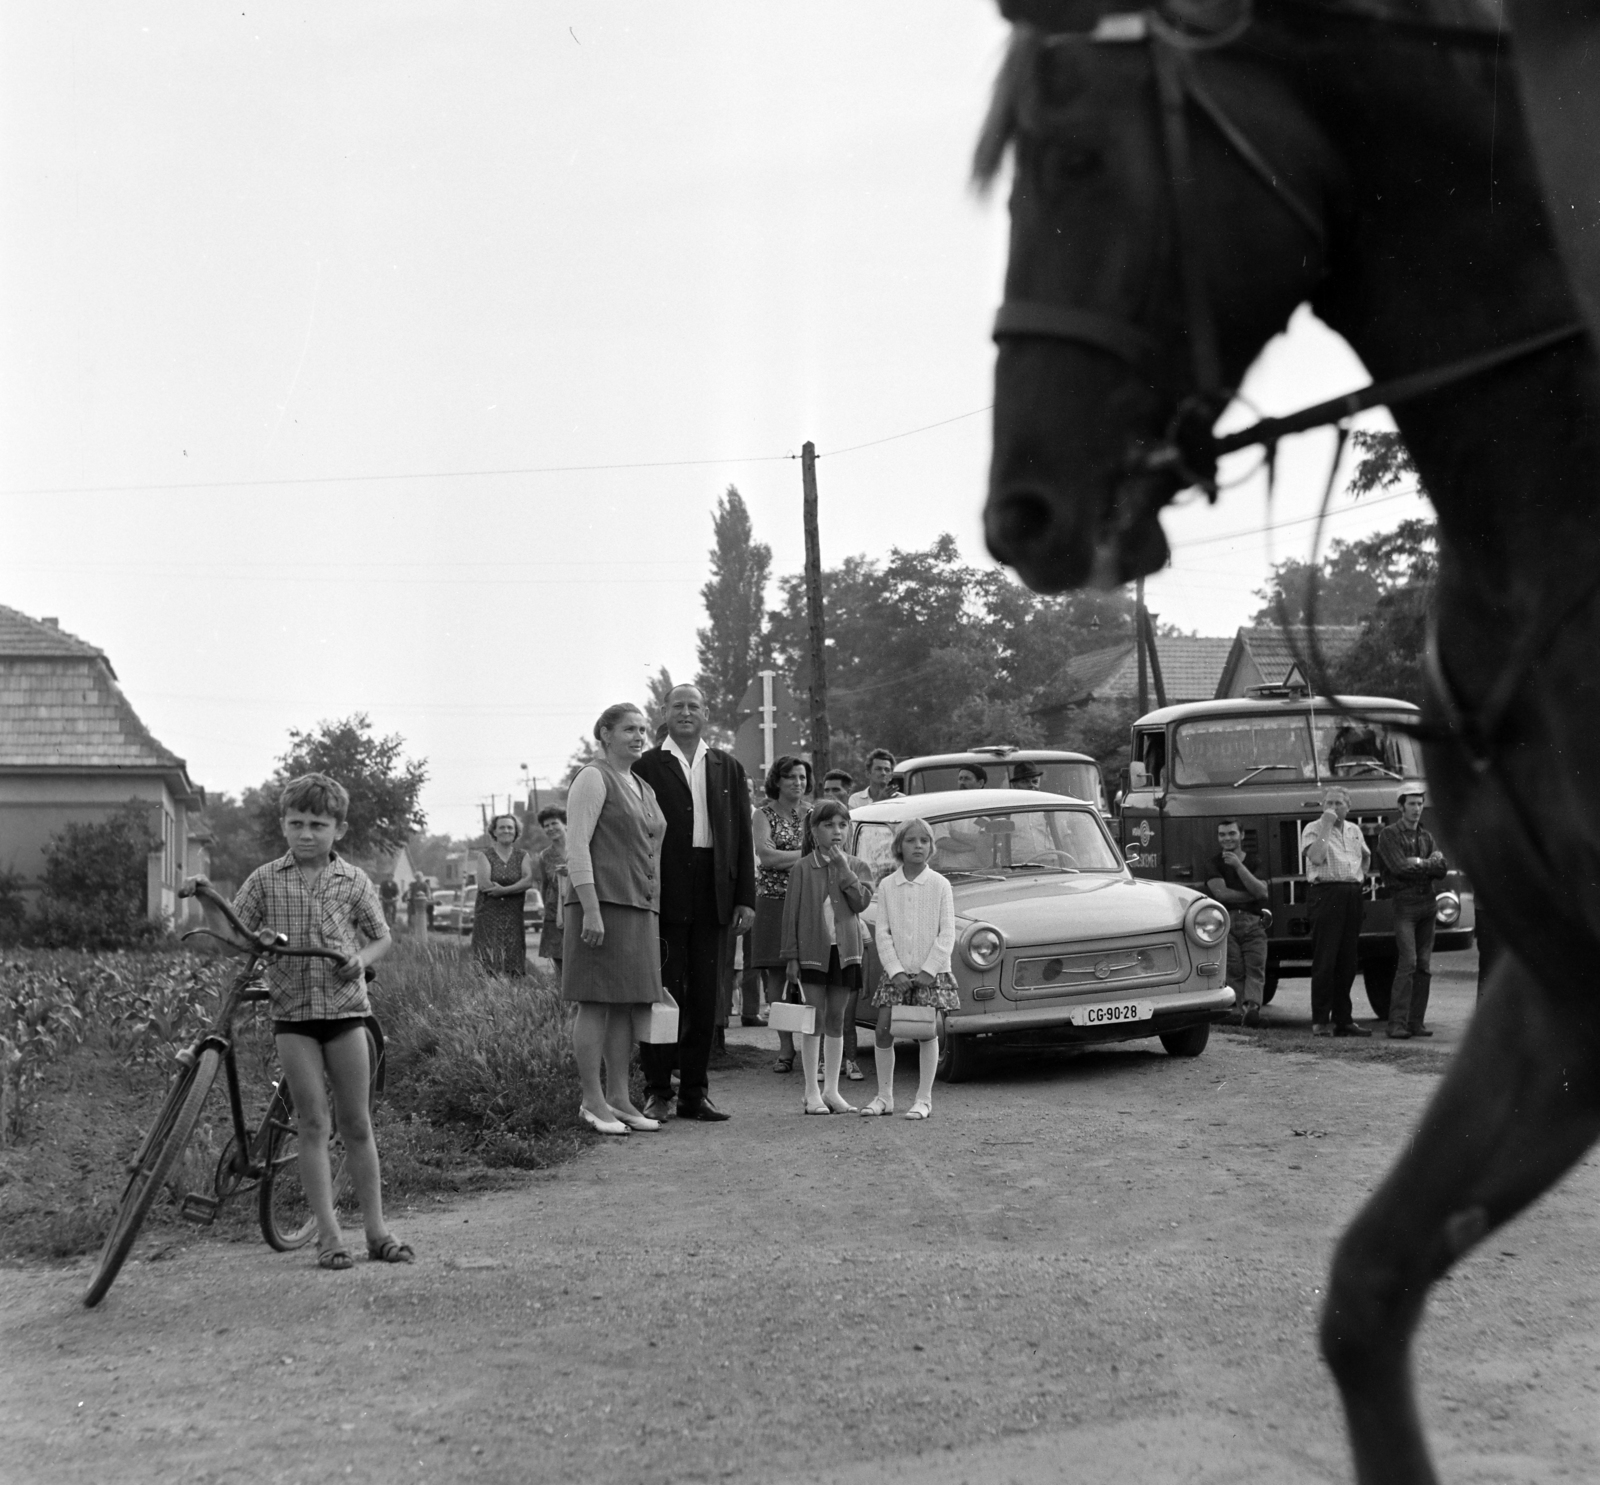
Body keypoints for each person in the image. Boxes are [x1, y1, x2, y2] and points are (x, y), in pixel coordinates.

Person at [231, 772, 411, 1268]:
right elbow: (239, 930)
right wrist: (253, 939)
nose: (306, 833)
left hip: (346, 1012)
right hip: (293, 1017)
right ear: (283, 826)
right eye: (296, 823)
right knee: (313, 1121)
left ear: (339, 829)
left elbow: (381, 937)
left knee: (356, 1123)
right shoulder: (265, 878)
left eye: (317, 824)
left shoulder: (353, 880)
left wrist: (361, 956)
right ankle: (328, 1235)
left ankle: (377, 1231)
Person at [632, 684, 757, 1122]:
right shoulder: (646, 765)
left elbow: (741, 836)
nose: (686, 713)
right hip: (663, 892)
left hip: (714, 892)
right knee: (661, 994)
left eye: (693, 706)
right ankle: (658, 1091)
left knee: (706, 997)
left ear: (706, 713)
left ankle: (695, 1092)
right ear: (663, 712)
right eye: (677, 706)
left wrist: (745, 898)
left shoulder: (726, 766)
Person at [563, 703, 670, 1135]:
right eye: (629, 729)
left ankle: (620, 1097)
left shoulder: (643, 785)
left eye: (643, 729)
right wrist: (590, 908)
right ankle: (592, 1100)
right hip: (601, 905)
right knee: (595, 1000)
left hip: (638, 905)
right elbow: (577, 847)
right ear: (605, 734)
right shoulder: (593, 777)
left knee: (628, 1004)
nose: (639, 736)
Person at [780, 800, 875, 1115]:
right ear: (814, 830)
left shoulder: (858, 867)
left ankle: (832, 1090)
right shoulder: (802, 868)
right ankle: (811, 1092)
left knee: (837, 1017)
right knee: (814, 1019)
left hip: (846, 953)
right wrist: (791, 955)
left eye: (842, 825)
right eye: (828, 825)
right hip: (811, 954)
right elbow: (790, 915)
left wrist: (844, 870)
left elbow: (861, 902)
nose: (837, 831)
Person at [862, 819, 958, 1121]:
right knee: (884, 1029)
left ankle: (923, 1099)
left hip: (931, 973)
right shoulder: (888, 885)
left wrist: (930, 968)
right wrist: (895, 970)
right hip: (897, 975)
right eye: (911, 840)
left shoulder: (940, 885)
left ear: (931, 847)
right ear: (899, 846)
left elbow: (947, 933)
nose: (918, 846)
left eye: (924, 841)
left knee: (926, 1031)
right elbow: (884, 932)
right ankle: (884, 1096)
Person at [751, 754, 813, 1075]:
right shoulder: (763, 815)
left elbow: (829, 852)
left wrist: (789, 857)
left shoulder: (815, 815)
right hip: (774, 902)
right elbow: (766, 857)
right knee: (777, 976)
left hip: (809, 901)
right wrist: (804, 856)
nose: (797, 783)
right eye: (790, 777)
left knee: (813, 974)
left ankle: (814, 1045)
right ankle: (786, 1047)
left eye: (802, 777)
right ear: (777, 780)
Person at [1375, 781, 1448, 1039]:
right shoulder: (1389, 835)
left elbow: (1443, 869)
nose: (1417, 809)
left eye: (1420, 804)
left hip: (1428, 904)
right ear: (1400, 806)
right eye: (1412, 804)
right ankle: (1396, 1024)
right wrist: (1429, 864)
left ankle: (1416, 1023)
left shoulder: (1426, 836)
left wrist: (1419, 862)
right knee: (1409, 963)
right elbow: (1398, 868)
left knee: (1424, 965)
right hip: (1405, 904)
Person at [1302, 783, 1372, 1037]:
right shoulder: (1313, 829)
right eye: (1328, 803)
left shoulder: (1354, 830)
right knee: (1326, 958)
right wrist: (1327, 825)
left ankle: (1344, 1019)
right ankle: (1320, 1020)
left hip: (1351, 893)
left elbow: (1366, 855)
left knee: (1348, 960)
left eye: (1338, 804)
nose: (1332, 808)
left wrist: (1359, 877)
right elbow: (1317, 858)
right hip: (1326, 893)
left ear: (1348, 807)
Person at [1206, 819, 1270, 1026]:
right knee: (1234, 969)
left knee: (1256, 967)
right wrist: (1252, 895)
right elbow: (1221, 894)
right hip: (1227, 923)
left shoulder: (1255, 861)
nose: (1227, 838)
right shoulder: (1212, 864)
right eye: (1222, 834)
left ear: (1242, 835)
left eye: (1232, 833)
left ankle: (1252, 1009)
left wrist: (1238, 865)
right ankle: (1243, 1012)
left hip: (1254, 923)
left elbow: (1262, 891)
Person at [471, 814, 535, 976]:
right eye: (502, 827)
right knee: (488, 964)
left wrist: (504, 891)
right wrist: (515, 888)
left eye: (510, 827)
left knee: (513, 964)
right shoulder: (485, 856)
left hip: (513, 918)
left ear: (515, 832)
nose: (506, 830)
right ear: (494, 831)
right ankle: (488, 998)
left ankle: (513, 997)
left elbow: (527, 881)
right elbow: (485, 884)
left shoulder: (522, 856)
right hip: (488, 918)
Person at [534, 806, 568, 974]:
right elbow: (545, 885)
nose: (550, 828)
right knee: (560, 964)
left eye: (554, 823)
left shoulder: (582, 848)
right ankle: (562, 1000)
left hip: (579, 911)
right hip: (555, 915)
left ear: (566, 824)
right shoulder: (544, 856)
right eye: (546, 826)